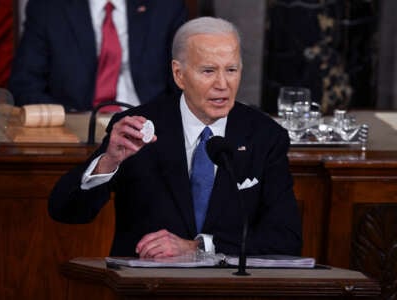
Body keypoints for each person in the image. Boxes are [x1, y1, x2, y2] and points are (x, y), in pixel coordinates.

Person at [48, 17, 302, 258]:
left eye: (232, 69)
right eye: (208, 71)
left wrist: (200, 247)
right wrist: (108, 162)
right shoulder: (138, 128)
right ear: (179, 74)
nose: (223, 84)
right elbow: (66, 211)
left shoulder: (264, 136)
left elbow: (286, 239)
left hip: (228, 287)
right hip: (147, 287)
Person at [8, 0, 187, 112]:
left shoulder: (166, 5)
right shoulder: (47, 7)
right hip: (78, 129)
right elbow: (25, 85)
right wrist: (67, 116)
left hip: (150, 128)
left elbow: (185, 82)